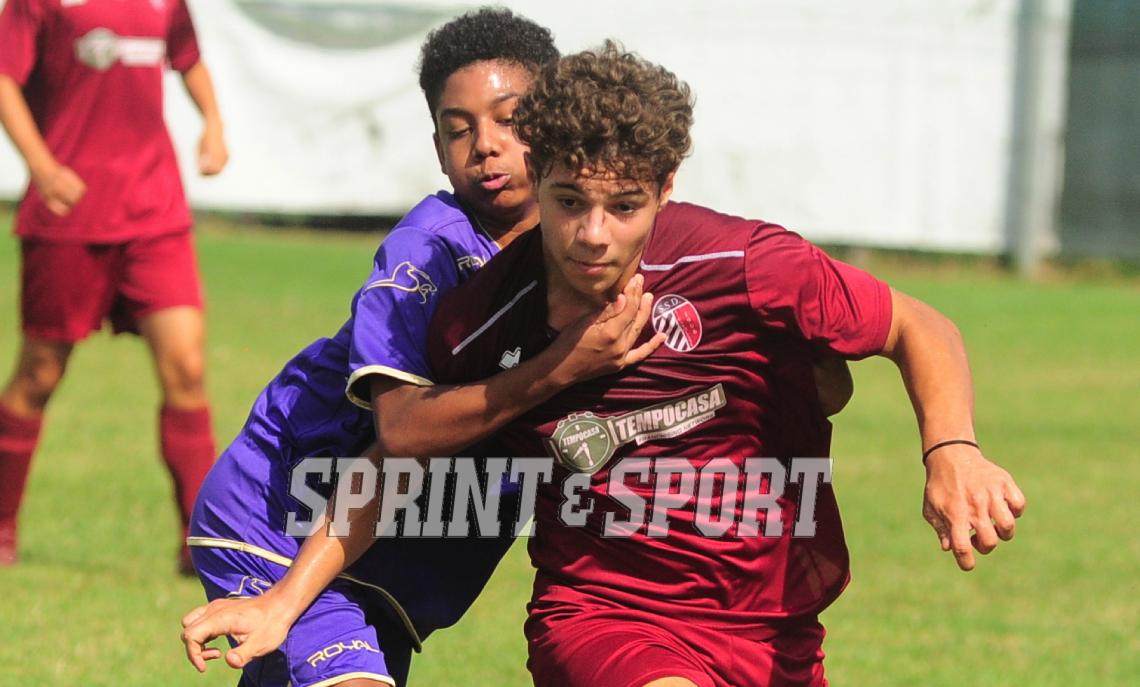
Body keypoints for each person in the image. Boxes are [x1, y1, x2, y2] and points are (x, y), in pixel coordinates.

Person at [425, 43, 1028, 686]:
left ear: (665, 189)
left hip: (772, 625)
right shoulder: (482, 320)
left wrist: (952, 449)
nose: (594, 233)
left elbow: (915, 324)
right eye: (570, 201)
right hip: (603, 617)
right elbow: (404, 437)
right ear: (538, 174)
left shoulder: (744, 264)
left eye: (625, 206)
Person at [180, 9, 667, 687]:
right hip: (279, 513)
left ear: (557, 123)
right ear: (438, 149)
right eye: (458, 129)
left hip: (379, 558)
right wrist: (564, 366)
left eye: (509, 118)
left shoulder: (588, 237)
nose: (485, 147)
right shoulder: (431, 251)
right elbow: (404, 431)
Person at [0, 0, 228, 570]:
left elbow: (189, 59)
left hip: (155, 213)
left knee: (186, 369)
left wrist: (214, 124)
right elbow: (3, 79)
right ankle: (1, 526)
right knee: (38, 375)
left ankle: (196, 544)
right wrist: (42, 166)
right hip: (68, 216)